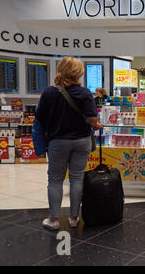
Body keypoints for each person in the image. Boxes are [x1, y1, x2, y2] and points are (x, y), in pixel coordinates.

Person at [35, 57, 102, 230]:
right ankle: (73, 218)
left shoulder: (49, 93)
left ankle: (54, 220)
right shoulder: (85, 93)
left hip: (58, 142)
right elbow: (93, 120)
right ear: (79, 73)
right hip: (81, 141)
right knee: (77, 178)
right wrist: (96, 125)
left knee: (55, 180)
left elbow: (39, 118)